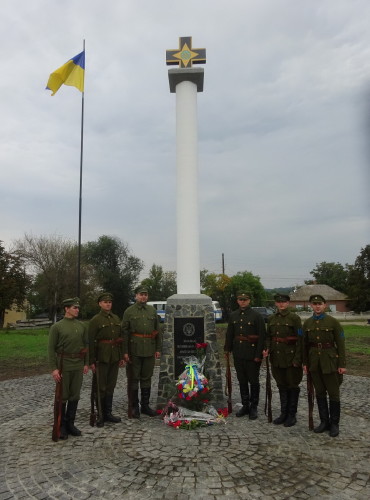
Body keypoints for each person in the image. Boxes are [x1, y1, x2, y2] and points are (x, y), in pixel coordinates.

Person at [303, 294, 346, 437]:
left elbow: (340, 344)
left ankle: (334, 424)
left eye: (319, 304)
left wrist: (342, 364)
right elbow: (304, 345)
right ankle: (324, 422)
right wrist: (305, 363)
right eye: (314, 304)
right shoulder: (307, 323)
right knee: (320, 392)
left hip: (330, 361)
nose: (317, 306)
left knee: (333, 393)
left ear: (324, 305)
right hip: (314, 362)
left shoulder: (333, 322)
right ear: (311, 306)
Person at [48, 297, 89, 440]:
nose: (77, 310)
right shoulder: (57, 327)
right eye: (74, 307)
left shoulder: (82, 326)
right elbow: (50, 349)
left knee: (74, 395)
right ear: (66, 309)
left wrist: (86, 363)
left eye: (78, 308)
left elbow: (86, 346)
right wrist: (54, 368)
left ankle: (70, 424)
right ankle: (61, 426)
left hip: (78, 364)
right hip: (63, 364)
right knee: (62, 396)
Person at [263, 294, 303, 427]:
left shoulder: (294, 318)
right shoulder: (272, 318)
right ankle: (283, 413)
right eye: (279, 302)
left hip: (291, 357)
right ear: (275, 303)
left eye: (284, 302)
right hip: (277, 357)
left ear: (288, 303)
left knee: (292, 385)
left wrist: (298, 358)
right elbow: (269, 336)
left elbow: (300, 339)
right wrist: (268, 348)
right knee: (281, 385)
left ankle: (292, 415)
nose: (281, 304)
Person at [224, 291, 266, 419]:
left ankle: (253, 407)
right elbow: (230, 333)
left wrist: (259, 354)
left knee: (253, 381)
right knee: (242, 380)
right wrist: (227, 349)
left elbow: (262, 336)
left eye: (245, 299)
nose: (243, 301)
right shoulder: (233, 315)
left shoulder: (256, 316)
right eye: (240, 299)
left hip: (252, 353)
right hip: (238, 352)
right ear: (237, 301)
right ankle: (245, 405)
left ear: (249, 301)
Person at [122, 286, 162, 418]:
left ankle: (145, 406)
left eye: (145, 295)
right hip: (134, 350)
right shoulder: (129, 311)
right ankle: (134, 406)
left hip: (149, 349)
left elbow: (157, 331)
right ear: (136, 296)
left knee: (146, 377)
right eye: (141, 294)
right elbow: (125, 333)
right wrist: (125, 352)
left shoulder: (152, 311)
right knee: (134, 378)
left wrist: (157, 349)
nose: (143, 297)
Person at [88, 292, 124, 427]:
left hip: (114, 356)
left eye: (109, 302)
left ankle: (108, 413)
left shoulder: (115, 318)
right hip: (101, 357)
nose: (108, 304)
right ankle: (100, 415)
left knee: (110, 386)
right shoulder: (95, 320)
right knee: (100, 387)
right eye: (105, 302)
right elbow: (90, 341)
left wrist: (120, 356)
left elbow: (119, 339)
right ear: (100, 304)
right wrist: (91, 360)